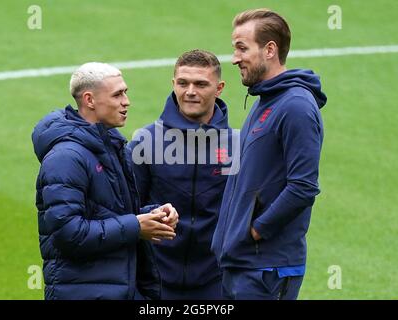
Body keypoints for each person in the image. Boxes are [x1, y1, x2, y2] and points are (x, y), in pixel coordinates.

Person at [32, 62, 178, 300]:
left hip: (119, 288)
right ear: (89, 100)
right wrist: (136, 226)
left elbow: (108, 213)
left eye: (125, 92)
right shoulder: (66, 158)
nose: (126, 101)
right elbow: (68, 233)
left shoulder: (110, 145)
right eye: (118, 94)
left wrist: (152, 215)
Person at [211, 9, 327, 300]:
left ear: (270, 50)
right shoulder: (265, 100)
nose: (235, 58)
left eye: (242, 48)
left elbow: (303, 186)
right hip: (242, 263)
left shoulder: (296, 106)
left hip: (268, 269)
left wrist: (256, 230)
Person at [128, 49, 235, 299]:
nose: (190, 91)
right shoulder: (146, 142)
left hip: (216, 281)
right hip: (155, 282)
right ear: (173, 84)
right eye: (183, 83)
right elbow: (127, 206)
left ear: (219, 88)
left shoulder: (236, 145)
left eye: (201, 84)